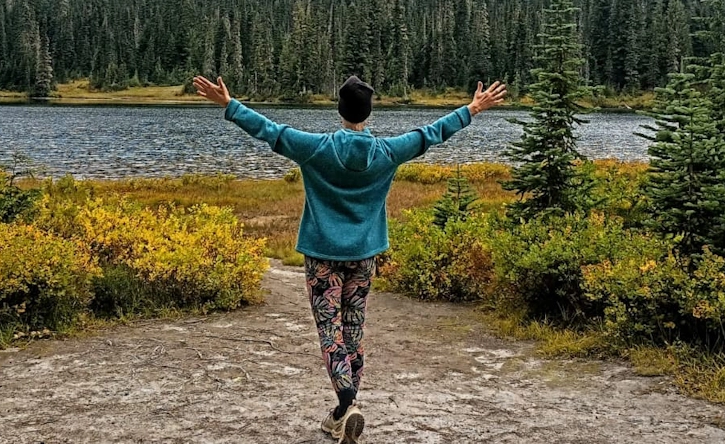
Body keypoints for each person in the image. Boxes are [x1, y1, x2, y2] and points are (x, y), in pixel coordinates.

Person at [193, 73, 507, 444]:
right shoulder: (388, 152)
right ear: (368, 114)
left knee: (330, 330)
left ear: (339, 110)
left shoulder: (315, 148)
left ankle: (346, 398)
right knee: (354, 328)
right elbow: (431, 134)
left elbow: (269, 130)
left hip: (323, 259)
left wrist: (229, 105)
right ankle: (344, 413)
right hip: (363, 257)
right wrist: (473, 108)